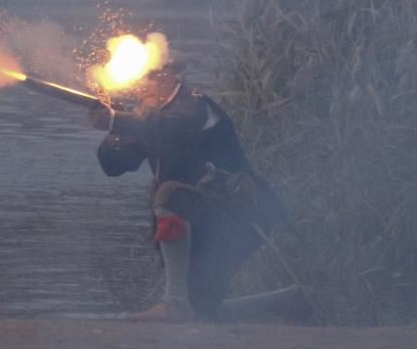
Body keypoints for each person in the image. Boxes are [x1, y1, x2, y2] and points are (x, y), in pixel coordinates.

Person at [88, 66, 308, 323]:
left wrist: (117, 119)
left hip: (239, 215)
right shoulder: (150, 121)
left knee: (169, 195)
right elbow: (113, 165)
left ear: (170, 80)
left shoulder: (195, 106)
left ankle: (173, 304)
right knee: (204, 310)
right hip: (205, 219)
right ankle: (289, 300)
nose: (141, 91)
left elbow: (173, 128)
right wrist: (114, 128)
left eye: (147, 84)